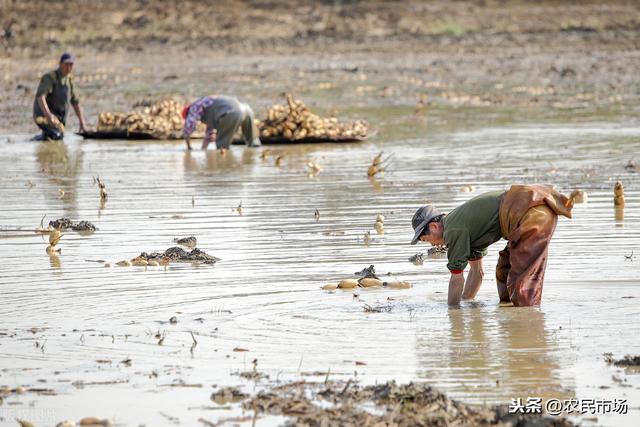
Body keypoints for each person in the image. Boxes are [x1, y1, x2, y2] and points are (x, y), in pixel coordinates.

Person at [410, 184, 574, 307]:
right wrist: (467, 301)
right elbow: (477, 272)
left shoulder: (453, 230)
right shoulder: (465, 227)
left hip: (532, 213)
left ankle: (529, 327)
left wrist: (452, 313)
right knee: (505, 271)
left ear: (433, 227)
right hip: (531, 212)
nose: (431, 244)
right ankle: (514, 314)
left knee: (522, 283)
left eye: (426, 239)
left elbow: (456, 278)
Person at [33, 52, 88, 140]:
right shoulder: (50, 78)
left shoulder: (69, 80)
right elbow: (41, 97)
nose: (68, 67)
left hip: (59, 119)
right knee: (55, 136)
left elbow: (75, 102)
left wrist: (82, 123)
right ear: (60, 64)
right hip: (43, 116)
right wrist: (48, 116)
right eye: (66, 64)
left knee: (59, 136)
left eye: (71, 65)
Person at [182, 95, 261, 152]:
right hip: (247, 110)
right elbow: (210, 134)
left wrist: (189, 147)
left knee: (222, 148)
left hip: (231, 113)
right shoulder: (209, 108)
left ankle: (225, 169)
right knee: (253, 144)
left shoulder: (194, 107)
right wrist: (203, 149)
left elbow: (188, 128)